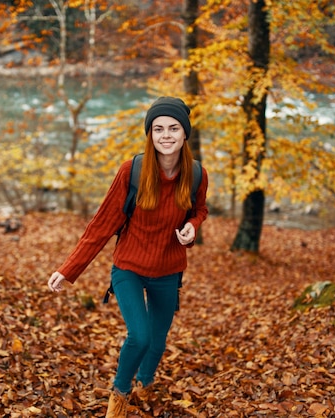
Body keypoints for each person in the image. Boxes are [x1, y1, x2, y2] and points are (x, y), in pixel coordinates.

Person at [47, 96, 209, 417]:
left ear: (185, 133)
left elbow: (199, 209)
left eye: (173, 128)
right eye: (158, 128)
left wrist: (192, 226)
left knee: (158, 342)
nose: (166, 135)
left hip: (168, 269)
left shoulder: (196, 174)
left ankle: (144, 385)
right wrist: (68, 270)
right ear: (149, 134)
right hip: (129, 268)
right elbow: (101, 226)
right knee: (140, 335)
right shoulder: (131, 172)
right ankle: (118, 400)